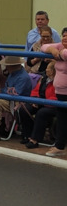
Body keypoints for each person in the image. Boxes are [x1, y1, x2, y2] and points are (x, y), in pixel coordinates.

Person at [0, 55, 32, 143]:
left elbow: (16, 94)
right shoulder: (12, 74)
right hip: (9, 99)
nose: (6, 67)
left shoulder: (23, 77)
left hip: (17, 103)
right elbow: (7, 89)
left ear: (13, 66)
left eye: (7, 65)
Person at [18, 61, 57, 149]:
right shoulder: (44, 78)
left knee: (41, 113)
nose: (46, 69)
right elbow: (36, 90)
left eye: (48, 68)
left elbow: (56, 97)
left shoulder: (59, 81)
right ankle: (27, 135)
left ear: (53, 71)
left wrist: (41, 102)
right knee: (24, 109)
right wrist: (34, 100)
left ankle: (35, 140)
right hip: (42, 101)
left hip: (53, 105)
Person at [41, 29, 67, 157]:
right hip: (60, 92)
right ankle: (60, 146)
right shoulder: (59, 46)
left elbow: (65, 54)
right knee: (62, 119)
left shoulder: (63, 49)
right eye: (64, 36)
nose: (65, 38)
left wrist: (60, 53)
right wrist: (52, 50)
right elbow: (43, 47)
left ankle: (60, 145)